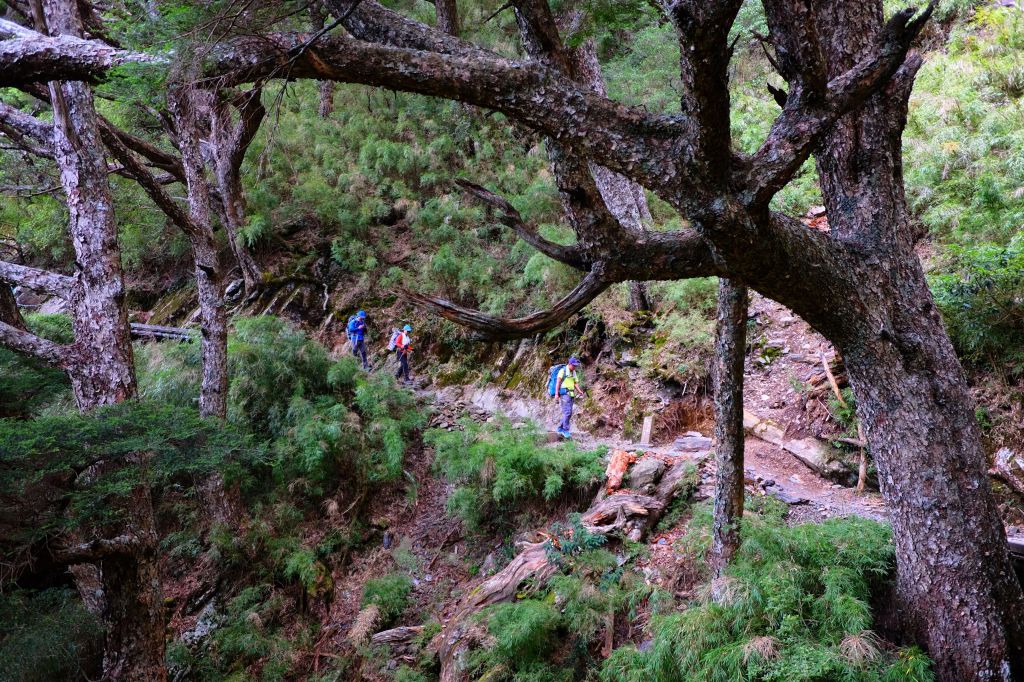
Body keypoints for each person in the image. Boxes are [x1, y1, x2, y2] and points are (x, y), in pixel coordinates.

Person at [554, 356, 585, 439]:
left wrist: (579, 391)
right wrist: (556, 394)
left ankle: (560, 428)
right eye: (574, 365)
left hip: (571, 394)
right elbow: (558, 383)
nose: (575, 367)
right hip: (564, 394)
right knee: (567, 412)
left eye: (576, 366)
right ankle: (565, 430)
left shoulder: (573, 372)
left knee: (569, 413)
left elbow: (575, 383)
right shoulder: (562, 371)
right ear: (569, 364)